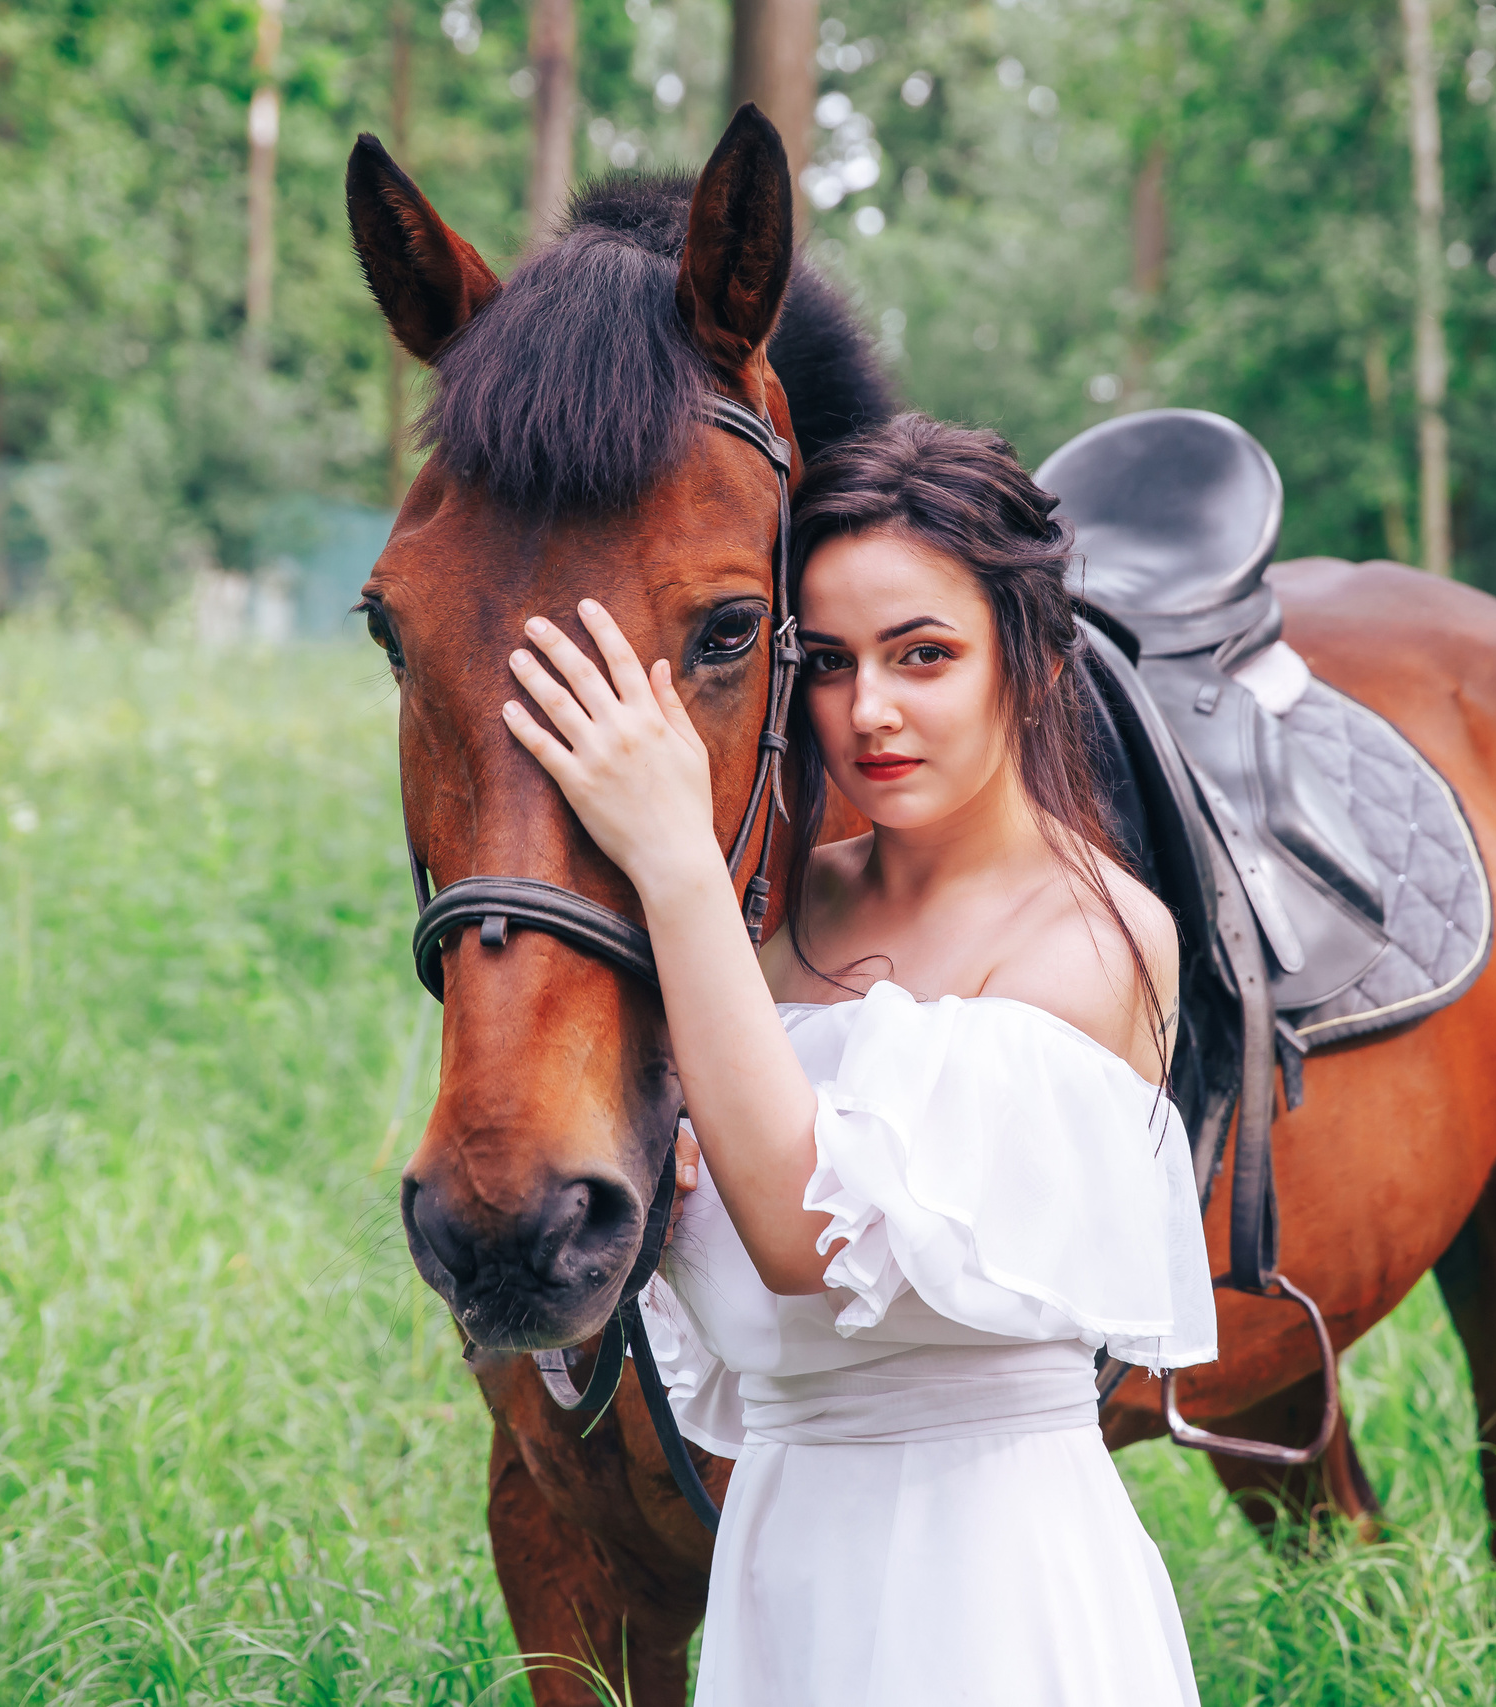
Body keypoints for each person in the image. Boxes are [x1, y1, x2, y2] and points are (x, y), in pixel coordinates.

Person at [499, 413, 1217, 1706]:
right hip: (788, 1566)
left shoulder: (1093, 942)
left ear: (1033, 663)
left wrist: (672, 860)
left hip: (991, 1588)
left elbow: (806, 1240)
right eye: (826, 662)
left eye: (924, 655)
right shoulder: (780, 922)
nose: (869, 709)